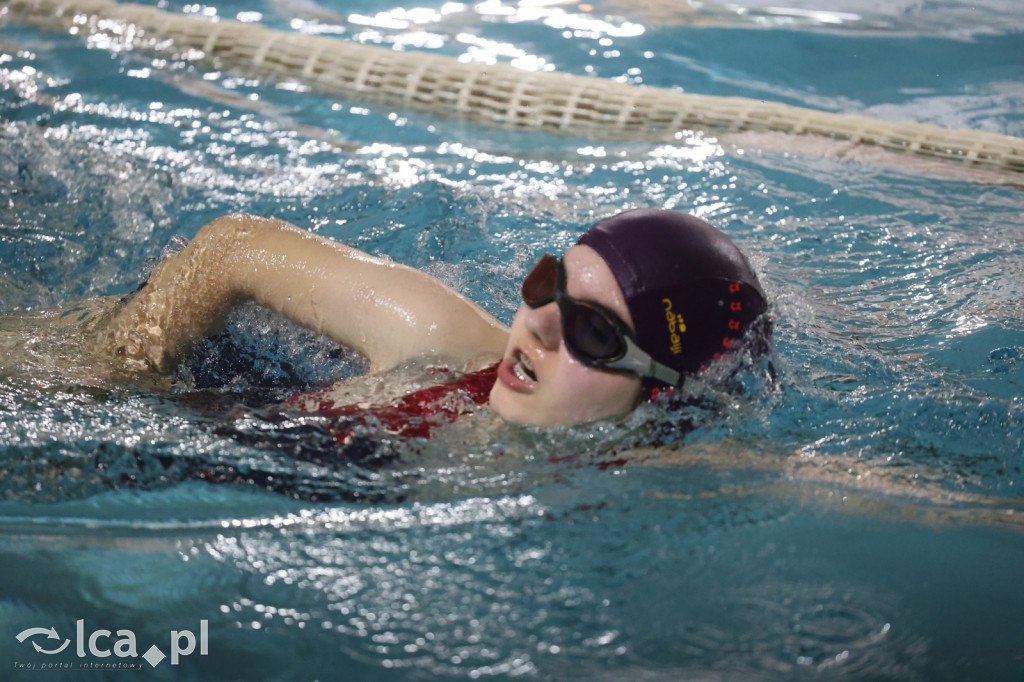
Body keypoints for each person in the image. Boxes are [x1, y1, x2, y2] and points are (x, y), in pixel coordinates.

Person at [89, 207, 769, 428]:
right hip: (181, 405)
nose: (536, 326)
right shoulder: (443, 344)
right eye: (546, 285)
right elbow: (234, 247)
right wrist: (106, 376)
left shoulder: (660, 486)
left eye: (593, 333)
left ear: (659, 393)